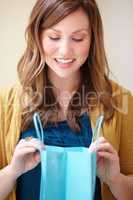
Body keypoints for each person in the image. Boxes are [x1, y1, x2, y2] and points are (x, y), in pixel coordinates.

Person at [0, 0, 133, 200]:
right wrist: (11, 172)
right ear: (38, 37)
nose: (65, 51)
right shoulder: (5, 103)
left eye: (78, 38)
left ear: (93, 39)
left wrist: (115, 179)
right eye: (54, 37)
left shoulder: (121, 101)